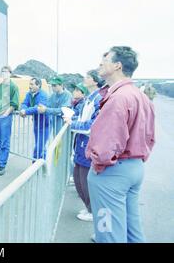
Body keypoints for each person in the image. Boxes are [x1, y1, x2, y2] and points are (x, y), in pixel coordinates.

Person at [85, 46, 155, 243]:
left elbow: (106, 144)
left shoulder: (118, 97)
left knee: (107, 232)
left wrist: (98, 165)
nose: (100, 63)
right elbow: (150, 136)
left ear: (117, 65)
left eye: (105, 59)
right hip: (134, 167)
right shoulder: (140, 96)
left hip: (112, 172)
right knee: (133, 230)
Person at [64, 71, 104, 223]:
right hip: (80, 145)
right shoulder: (89, 99)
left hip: (88, 145)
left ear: (94, 81)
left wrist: (71, 123)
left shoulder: (98, 100)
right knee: (78, 180)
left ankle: (93, 211)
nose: (84, 79)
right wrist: (71, 118)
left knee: (85, 182)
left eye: (87, 77)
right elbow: (81, 118)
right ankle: (89, 207)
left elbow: (90, 126)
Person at [20, 77, 50, 160]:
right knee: (40, 144)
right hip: (36, 123)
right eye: (29, 84)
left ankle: (35, 163)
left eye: (32, 84)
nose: (29, 86)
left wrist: (26, 111)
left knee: (39, 146)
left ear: (38, 85)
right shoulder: (29, 94)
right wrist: (23, 109)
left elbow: (38, 108)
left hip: (45, 124)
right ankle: (42, 162)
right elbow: (24, 103)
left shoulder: (43, 95)